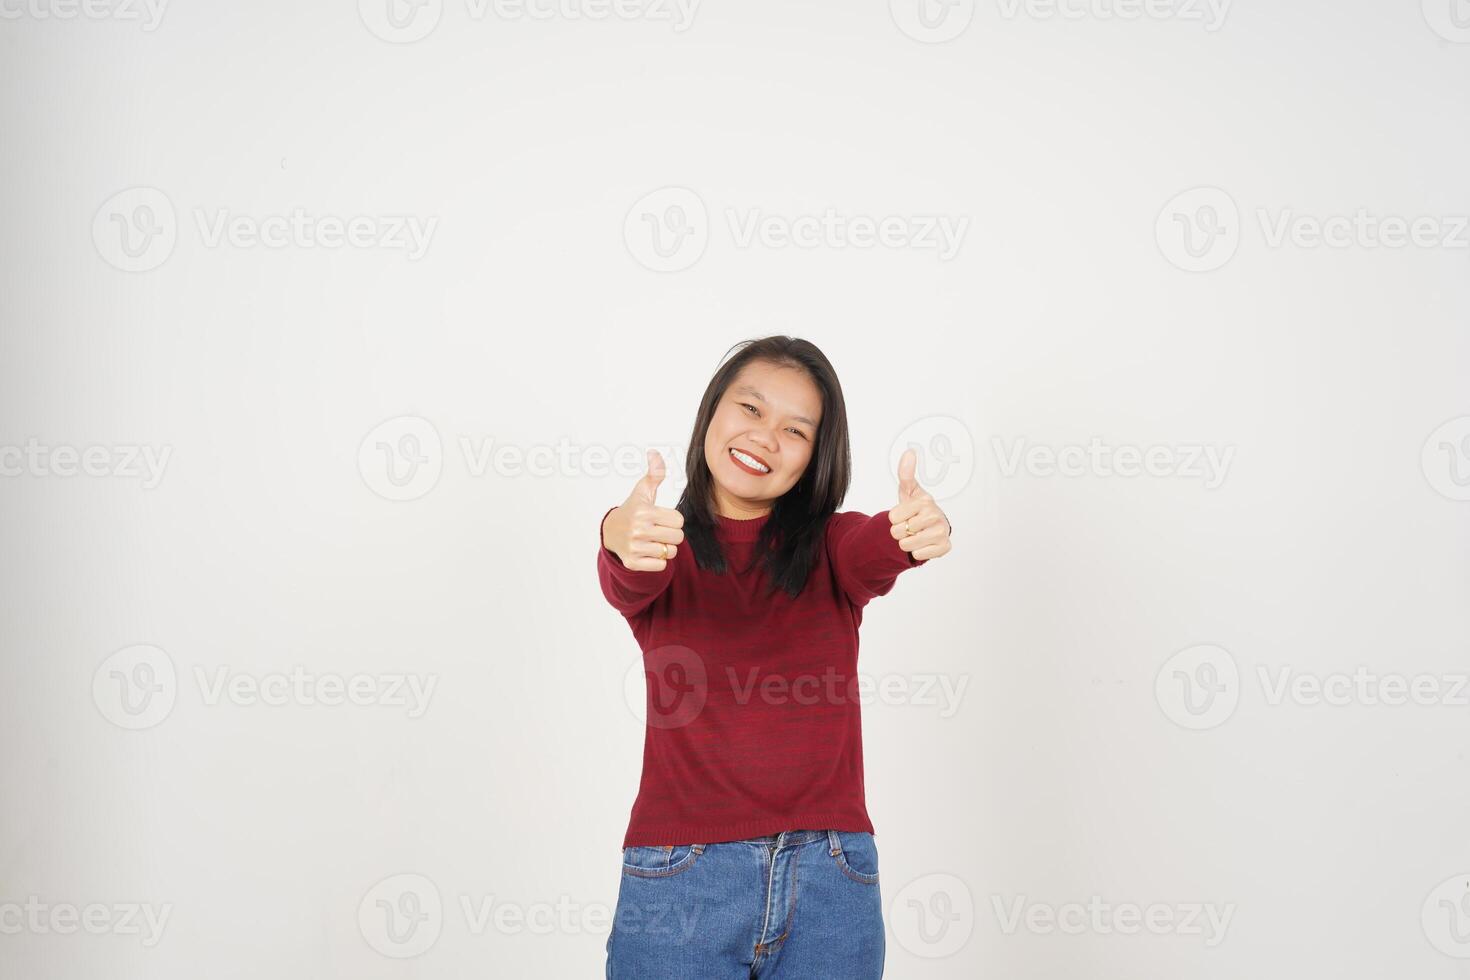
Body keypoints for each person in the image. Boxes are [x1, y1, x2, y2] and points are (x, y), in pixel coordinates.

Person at [597, 336, 953, 979]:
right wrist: (616, 534)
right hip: (683, 880)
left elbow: (875, 546)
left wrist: (909, 533)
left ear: (816, 458)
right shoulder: (661, 547)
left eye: (796, 429)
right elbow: (629, 570)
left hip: (832, 878)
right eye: (751, 410)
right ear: (711, 414)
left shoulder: (832, 549)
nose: (765, 437)